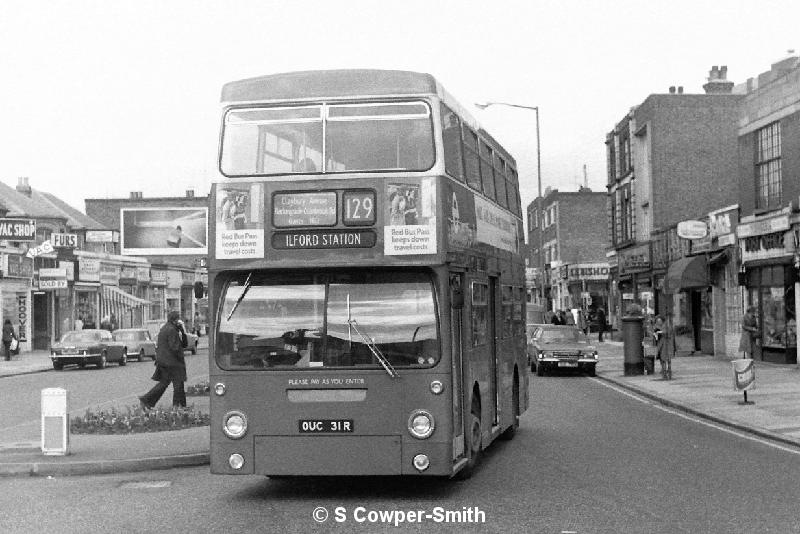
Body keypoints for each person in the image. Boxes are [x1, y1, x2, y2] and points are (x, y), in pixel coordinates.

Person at [139, 311, 189, 409]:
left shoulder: (167, 328)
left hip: (164, 361)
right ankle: (178, 406)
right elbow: (176, 347)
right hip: (172, 362)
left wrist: (182, 331)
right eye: (178, 319)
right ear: (176, 320)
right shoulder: (171, 330)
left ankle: (147, 400)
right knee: (178, 383)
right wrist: (180, 358)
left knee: (164, 383)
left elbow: (184, 344)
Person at [658, 312, 677, 380]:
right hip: (666, 345)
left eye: (659, 321)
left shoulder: (667, 325)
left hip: (665, 345)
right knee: (666, 359)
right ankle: (667, 372)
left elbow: (666, 333)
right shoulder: (668, 325)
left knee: (664, 359)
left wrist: (661, 333)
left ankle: (666, 373)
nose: (658, 322)